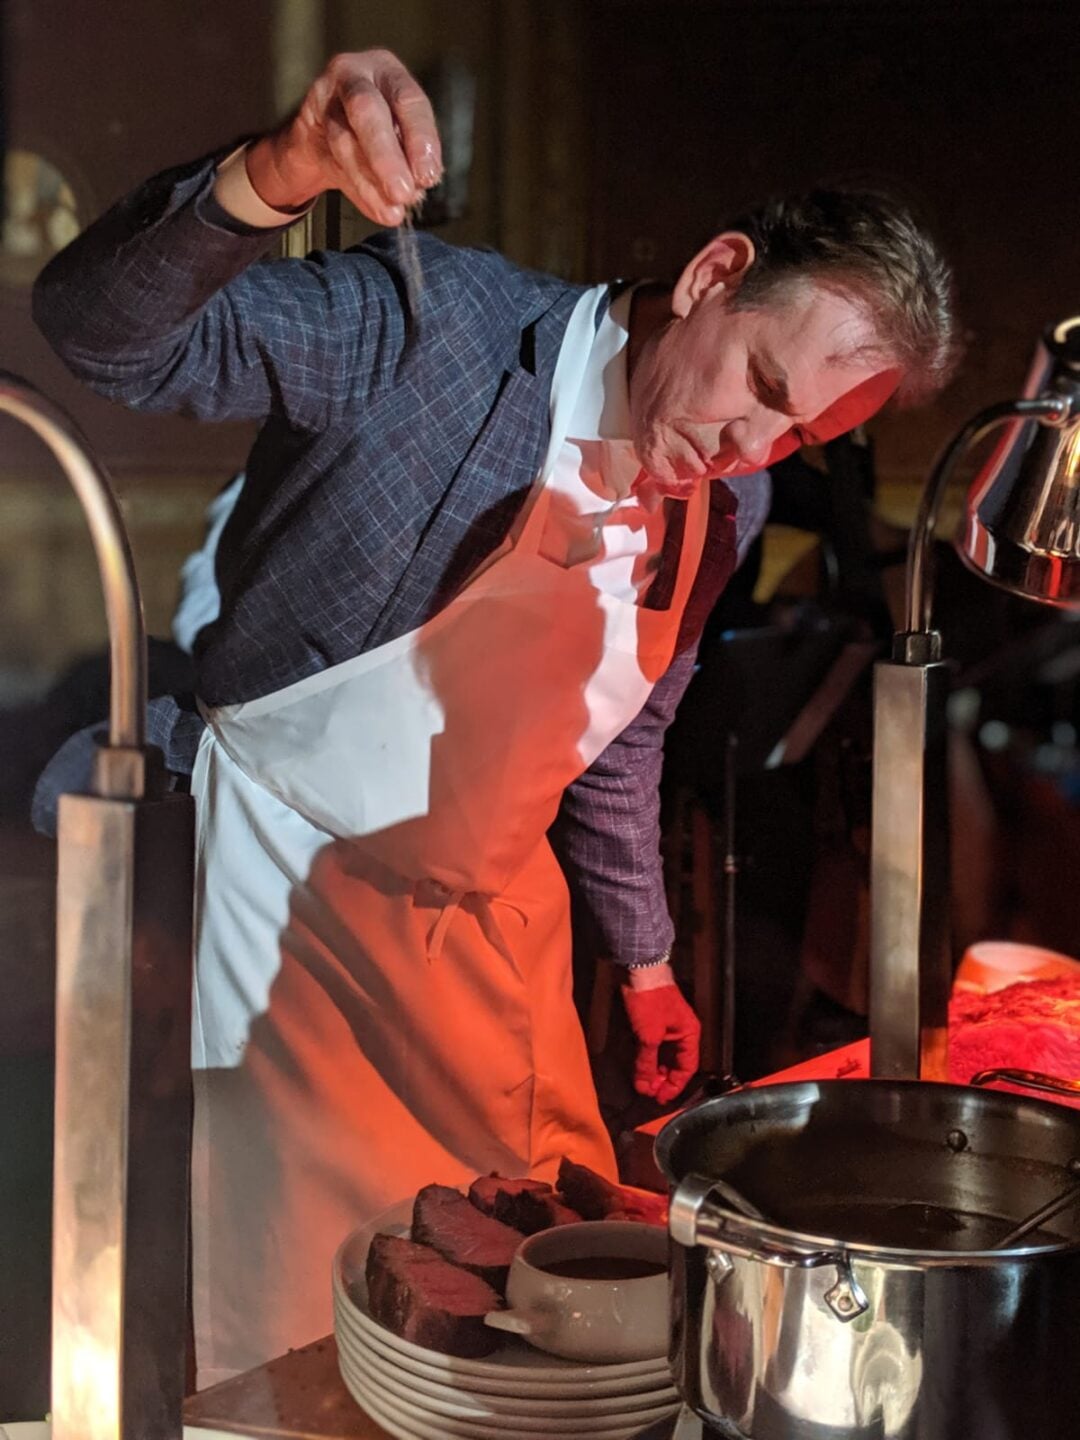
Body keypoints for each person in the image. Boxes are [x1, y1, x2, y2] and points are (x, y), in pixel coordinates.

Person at [32, 49, 958, 1384]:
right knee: (323, 1355)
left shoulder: (730, 504)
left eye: (797, 437)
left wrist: (643, 958)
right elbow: (107, 335)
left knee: (560, 1332)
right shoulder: (436, 329)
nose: (755, 445)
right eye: (760, 381)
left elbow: (619, 738)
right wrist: (276, 172)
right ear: (711, 276)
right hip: (297, 912)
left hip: (492, 959)